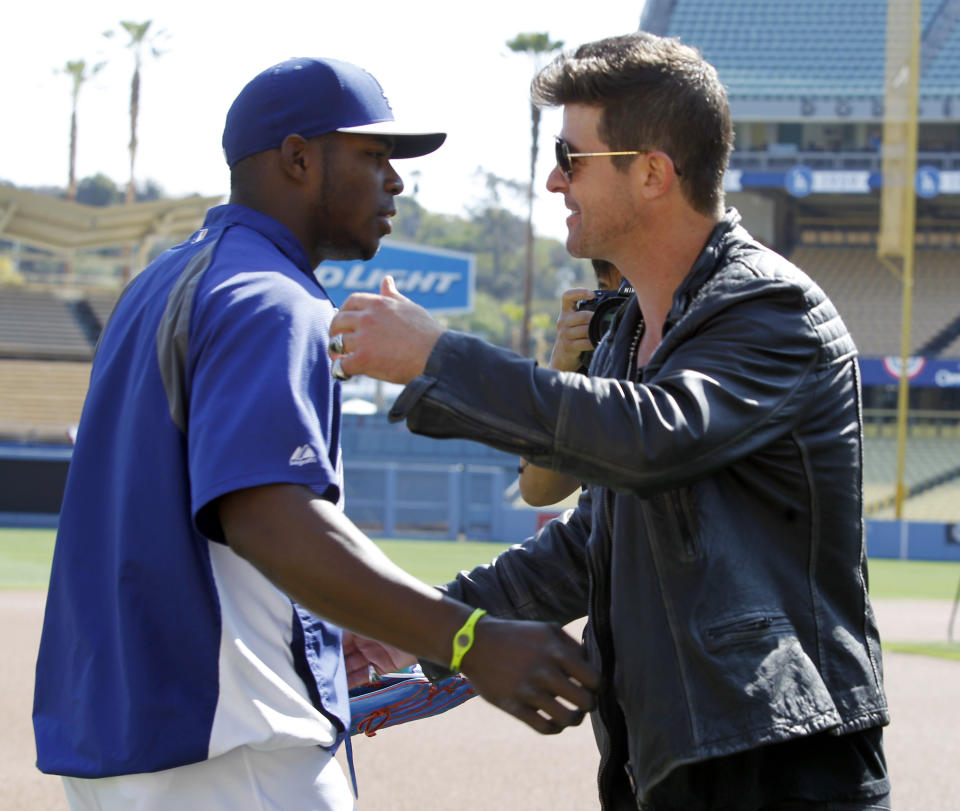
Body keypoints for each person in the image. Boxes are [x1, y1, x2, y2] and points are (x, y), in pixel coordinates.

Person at [327, 32, 891, 811]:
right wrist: (417, 628)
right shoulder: (625, 330)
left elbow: (650, 436)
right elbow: (589, 542)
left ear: (653, 171)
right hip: (668, 763)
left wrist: (437, 358)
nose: (555, 180)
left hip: (781, 764)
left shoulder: (771, 307)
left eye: (571, 157)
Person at [32, 57, 599, 811]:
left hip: (121, 739)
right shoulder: (271, 299)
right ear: (298, 158)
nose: (395, 181)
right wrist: (465, 637)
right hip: (230, 750)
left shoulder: (162, 281)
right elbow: (269, 517)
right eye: (374, 156)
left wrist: (358, 617)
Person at [518, 259, 624, 506]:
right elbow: (537, 490)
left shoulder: (695, 356)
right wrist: (562, 367)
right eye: (607, 294)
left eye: (630, 298)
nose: (617, 314)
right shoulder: (597, 370)